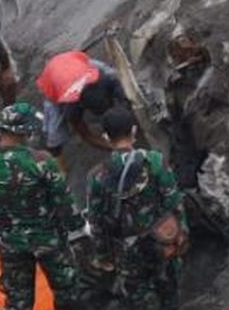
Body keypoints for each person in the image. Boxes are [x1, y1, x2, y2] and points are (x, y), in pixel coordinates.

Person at [0, 103, 85, 310]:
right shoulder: (41, 162)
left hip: (9, 242)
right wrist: (78, 225)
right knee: (67, 292)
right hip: (49, 240)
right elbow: (63, 201)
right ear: (27, 131)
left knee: (18, 299)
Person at [87, 106, 188, 310]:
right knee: (170, 293)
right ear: (134, 131)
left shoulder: (97, 176)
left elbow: (97, 222)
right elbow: (174, 201)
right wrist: (181, 234)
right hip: (162, 242)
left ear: (106, 137)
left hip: (127, 252)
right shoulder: (154, 161)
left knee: (139, 298)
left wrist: (103, 256)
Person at [37, 52, 126, 156]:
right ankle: (58, 162)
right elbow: (86, 135)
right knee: (55, 136)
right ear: (82, 105)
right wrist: (115, 147)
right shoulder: (71, 106)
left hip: (75, 62)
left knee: (119, 79)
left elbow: (124, 94)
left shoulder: (107, 79)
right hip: (52, 78)